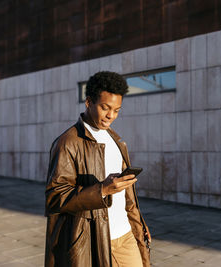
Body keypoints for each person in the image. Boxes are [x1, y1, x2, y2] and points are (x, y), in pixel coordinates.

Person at [44, 71, 151, 267]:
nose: (111, 115)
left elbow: (127, 196)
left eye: (117, 110)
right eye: (105, 108)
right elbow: (54, 196)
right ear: (89, 102)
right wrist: (101, 190)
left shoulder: (116, 140)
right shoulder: (68, 142)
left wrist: (139, 224)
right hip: (94, 238)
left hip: (125, 235)